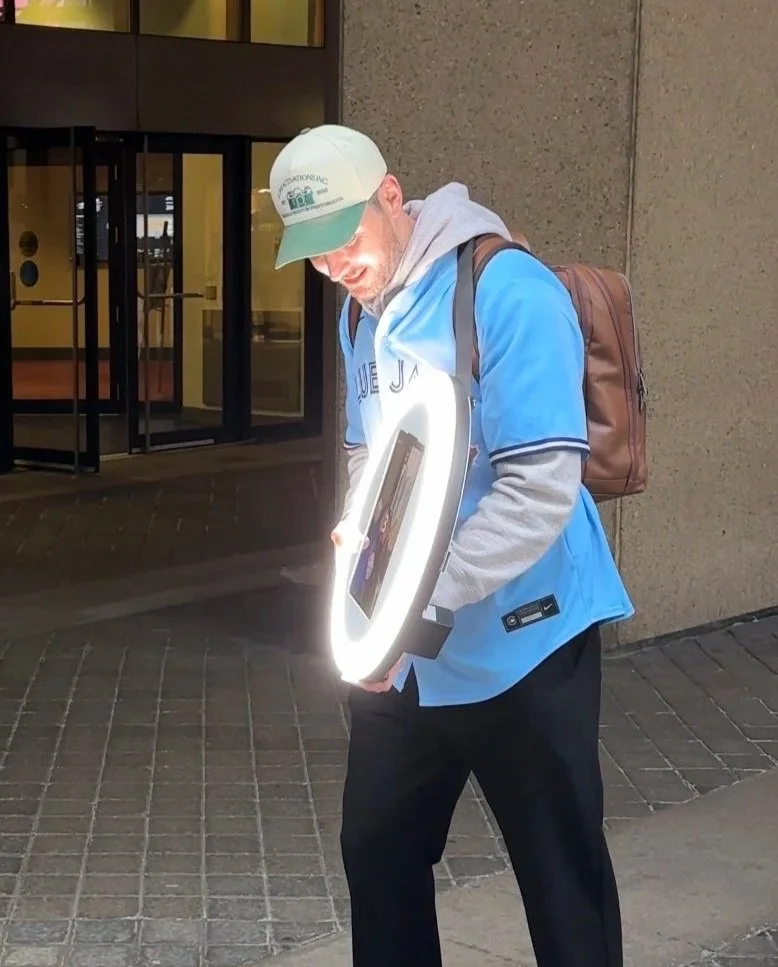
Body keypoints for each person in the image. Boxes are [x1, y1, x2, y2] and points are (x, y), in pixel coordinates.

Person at [269, 124, 634, 967]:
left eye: (344, 239)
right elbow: (373, 453)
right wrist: (361, 535)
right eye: (314, 254)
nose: (335, 267)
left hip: (528, 638)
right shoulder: (357, 317)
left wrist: (408, 597)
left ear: (390, 196)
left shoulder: (508, 290)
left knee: (560, 879)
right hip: (413, 652)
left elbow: (542, 486)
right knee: (377, 847)